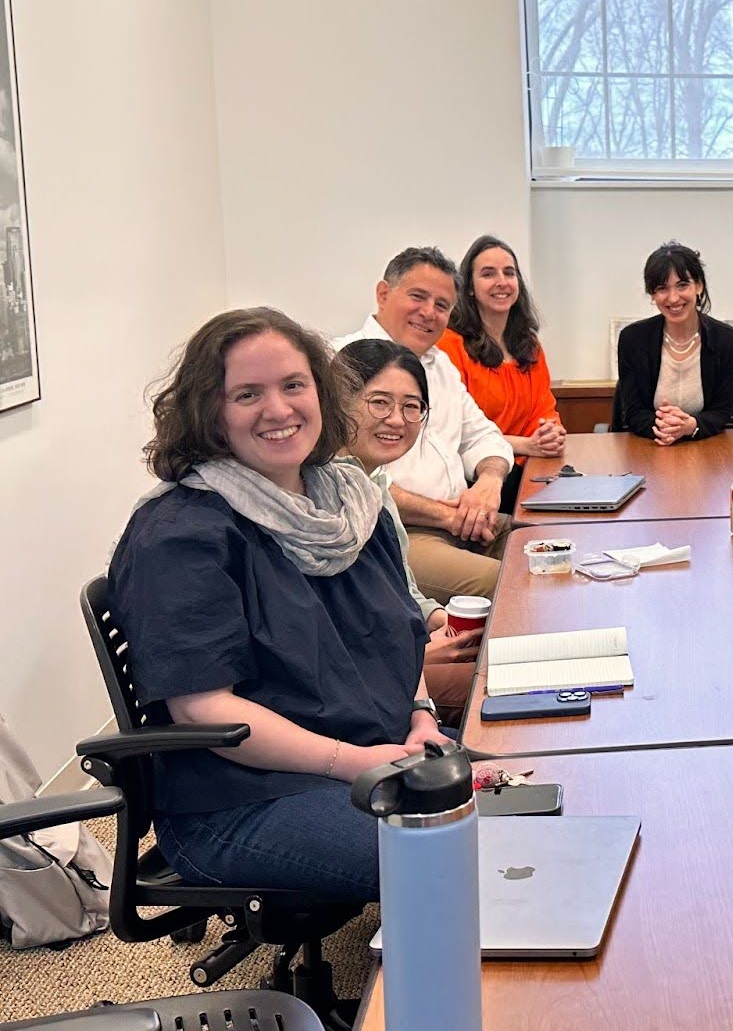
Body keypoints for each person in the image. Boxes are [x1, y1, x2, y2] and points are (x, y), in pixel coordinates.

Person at [109, 308, 449, 902]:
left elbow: (400, 633)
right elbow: (203, 710)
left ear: (322, 391)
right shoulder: (180, 535)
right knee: (451, 858)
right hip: (246, 797)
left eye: (294, 385)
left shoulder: (351, 504)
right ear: (209, 411)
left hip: (377, 750)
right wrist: (354, 761)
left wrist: (422, 717)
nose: (278, 409)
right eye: (247, 394)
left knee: (539, 798)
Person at [334, 246, 514, 601]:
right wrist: (444, 515)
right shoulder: (341, 361)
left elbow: (483, 436)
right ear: (383, 294)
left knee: (554, 547)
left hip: (465, 522)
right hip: (397, 531)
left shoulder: (441, 364)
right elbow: (345, 477)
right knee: (516, 584)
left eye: (442, 305)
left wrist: (489, 483)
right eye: (418, 297)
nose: (429, 313)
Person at [338, 338, 480, 727]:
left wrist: (438, 619)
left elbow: (404, 589)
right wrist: (417, 651)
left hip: (400, 651)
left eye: (411, 406)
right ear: (338, 402)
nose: (397, 420)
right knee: (495, 684)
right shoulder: (326, 497)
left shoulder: (376, 486)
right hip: (361, 677)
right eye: (379, 402)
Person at [439, 235, 565, 511]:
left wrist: (549, 433)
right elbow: (457, 431)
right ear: (469, 288)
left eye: (509, 273)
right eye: (488, 274)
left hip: (531, 468)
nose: (501, 282)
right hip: (479, 478)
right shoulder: (449, 345)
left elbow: (544, 408)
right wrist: (526, 445)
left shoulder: (530, 345)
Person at [613, 241, 733, 444]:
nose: (673, 298)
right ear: (652, 295)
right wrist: (667, 428)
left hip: (710, 447)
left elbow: (722, 412)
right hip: (650, 446)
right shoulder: (633, 339)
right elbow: (633, 412)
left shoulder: (729, 342)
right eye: (662, 288)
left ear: (699, 286)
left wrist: (691, 426)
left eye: (682, 285)